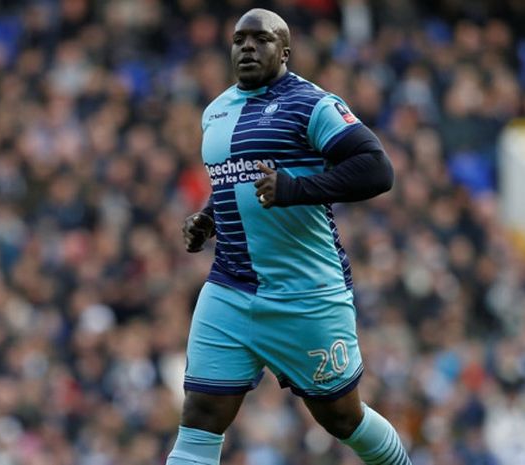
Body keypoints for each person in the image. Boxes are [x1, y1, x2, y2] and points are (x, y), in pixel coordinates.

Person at [168, 8, 411, 465]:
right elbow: (234, 182)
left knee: (342, 420)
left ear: (285, 51)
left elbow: (377, 169)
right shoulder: (215, 111)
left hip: (305, 294)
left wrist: (296, 189)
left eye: (260, 39)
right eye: (239, 39)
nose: (246, 47)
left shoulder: (312, 104)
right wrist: (208, 218)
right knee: (200, 415)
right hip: (230, 289)